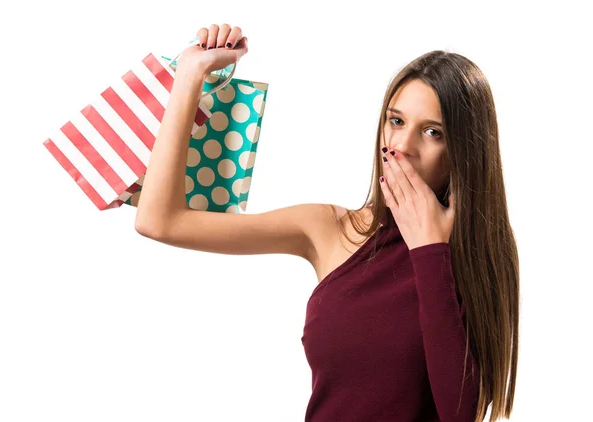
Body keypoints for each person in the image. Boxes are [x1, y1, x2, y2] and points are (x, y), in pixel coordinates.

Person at [134, 23, 519, 422]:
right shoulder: (329, 228)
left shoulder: (473, 256)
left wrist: (429, 252)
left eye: (433, 132)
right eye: (396, 121)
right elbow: (160, 220)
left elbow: (462, 415)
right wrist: (191, 75)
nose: (402, 146)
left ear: (465, 152)